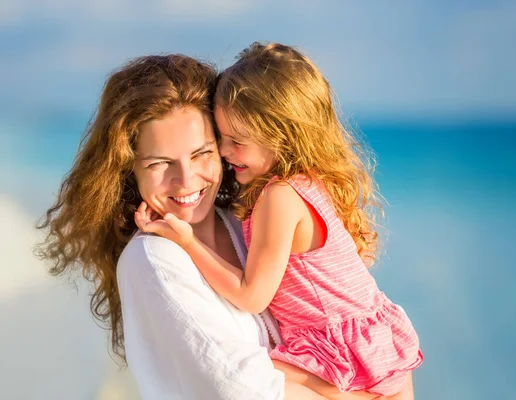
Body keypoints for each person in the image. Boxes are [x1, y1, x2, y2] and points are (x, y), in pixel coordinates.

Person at [35, 54, 335, 399]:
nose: (186, 180)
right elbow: (241, 389)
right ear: (128, 168)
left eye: (201, 153)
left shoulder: (245, 223)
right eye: (161, 163)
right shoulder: (153, 260)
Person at [135, 42, 424, 399]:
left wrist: (187, 241)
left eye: (236, 142)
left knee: (248, 374)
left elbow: (251, 295)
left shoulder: (279, 197)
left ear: (282, 136)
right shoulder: (312, 181)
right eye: (221, 139)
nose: (225, 153)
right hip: (372, 347)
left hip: (340, 355)